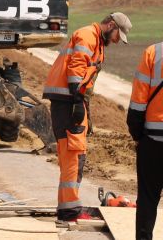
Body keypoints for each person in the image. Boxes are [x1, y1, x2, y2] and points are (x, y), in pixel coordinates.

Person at [42, 12, 131, 222]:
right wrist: (76, 101)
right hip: (68, 101)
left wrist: (84, 108)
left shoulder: (97, 41)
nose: (117, 41)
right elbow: (76, 70)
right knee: (73, 155)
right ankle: (69, 211)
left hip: (71, 100)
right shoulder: (88, 36)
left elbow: (85, 79)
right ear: (111, 25)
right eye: (118, 35)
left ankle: (68, 208)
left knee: (74, 156)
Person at [127, 42, 163, 239]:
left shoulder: (153, 53)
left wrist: (137, 134)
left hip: (153, 139)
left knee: (148, 198)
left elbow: (138, 101)